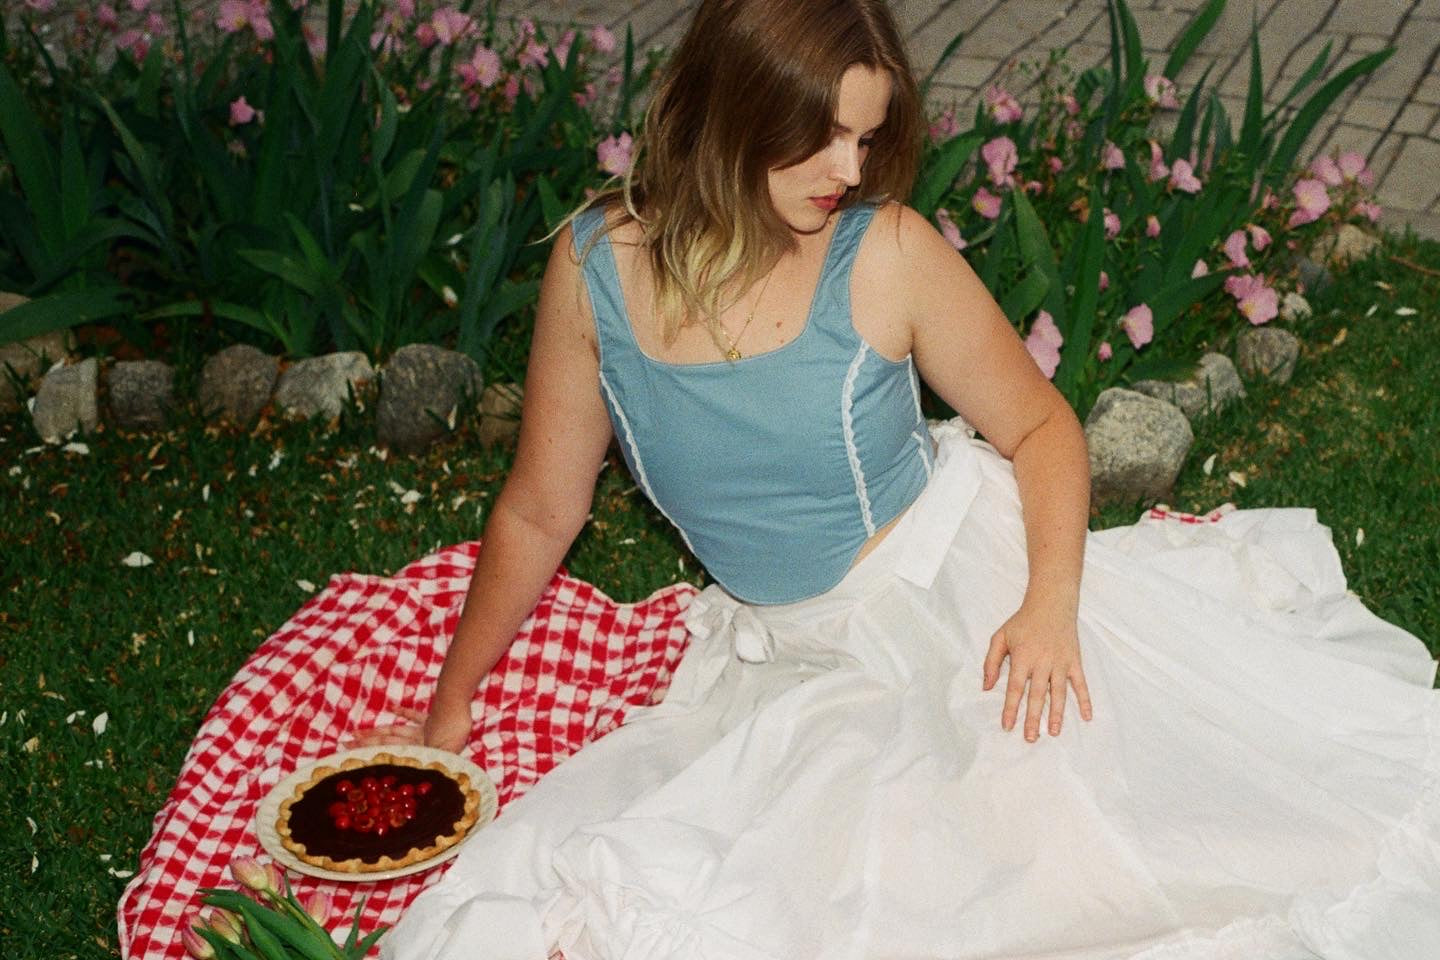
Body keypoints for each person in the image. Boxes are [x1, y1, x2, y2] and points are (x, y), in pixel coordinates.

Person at [368, 2, 1440, 957]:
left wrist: (1048, 605)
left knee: (1061, 868)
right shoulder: (595, 267)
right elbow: (541, 508)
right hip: (776, 652)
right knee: (598, 888)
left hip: (943, 608)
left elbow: (1042, 426)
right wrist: (451, 702)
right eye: (823, 133)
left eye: (867, 136)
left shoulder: (881, 251)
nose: (849, 167)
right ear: (734, 109)